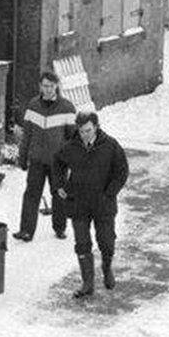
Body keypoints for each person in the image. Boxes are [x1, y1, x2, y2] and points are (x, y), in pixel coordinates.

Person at [52, 111, 129, 299]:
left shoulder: (110, 146)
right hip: (78, 202)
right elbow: (57, 163)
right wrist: (60, 185)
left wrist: (109, 193)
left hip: (103, 203)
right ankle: (87, 283)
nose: (84, 134)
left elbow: (122, 171)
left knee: (106, 240)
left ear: (96, 127)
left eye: (88, 130)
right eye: (81, 131)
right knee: (82, 243)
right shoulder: (71, 146)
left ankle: (107, 267)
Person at [13, 71, 76, 242]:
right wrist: (23, 156)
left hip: (58, 162)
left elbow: (72, 138)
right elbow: (27, 135)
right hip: (37, 160)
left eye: (51, 85)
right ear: (40, 86)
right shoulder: (33, 105)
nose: (47, 89)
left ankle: (60, 227)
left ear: (57, 86)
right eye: (45, 86)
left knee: (59, 194)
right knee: (31, 195)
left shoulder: (67, 108)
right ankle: (26, 230)